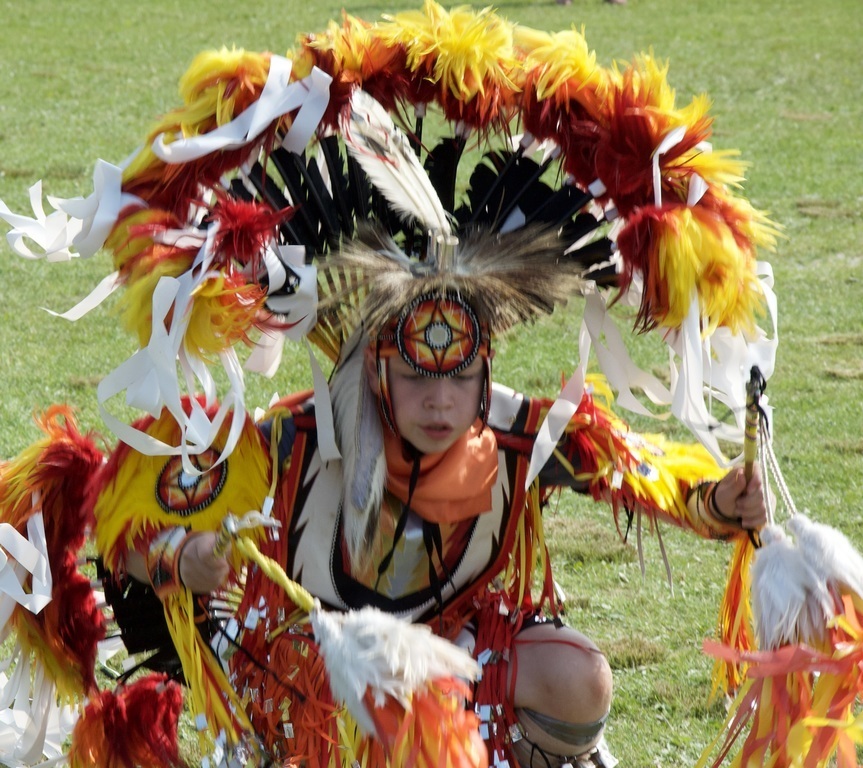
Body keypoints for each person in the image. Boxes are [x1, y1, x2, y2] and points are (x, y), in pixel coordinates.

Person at [0, 5, 777, 766]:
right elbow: (125, 527)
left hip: (452, 652)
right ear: (376, 370)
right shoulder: (288, 443)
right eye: (415, 378)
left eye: (459, 380)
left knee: (577, 680)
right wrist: (186, 560)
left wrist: (719, 501)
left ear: (484, 374)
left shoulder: (526, 436)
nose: (439, 402)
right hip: (309, 680)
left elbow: (645, 475)